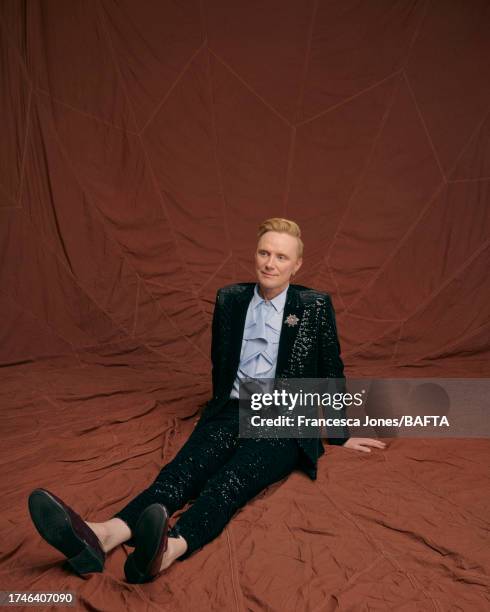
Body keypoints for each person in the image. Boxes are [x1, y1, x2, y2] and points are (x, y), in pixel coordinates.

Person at [28, 217, 385, 583]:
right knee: (180, 474)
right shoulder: (230, 298)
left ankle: (170, 549)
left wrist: (340, 432)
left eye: (281, 257)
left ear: (297, 266)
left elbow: (331, 369)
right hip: (232, 409)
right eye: (264, 252)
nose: (270, 263)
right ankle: (103, 535)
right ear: (255, 255)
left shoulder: (313, 306)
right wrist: (221, 409)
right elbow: (221, 360)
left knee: (228, 482)